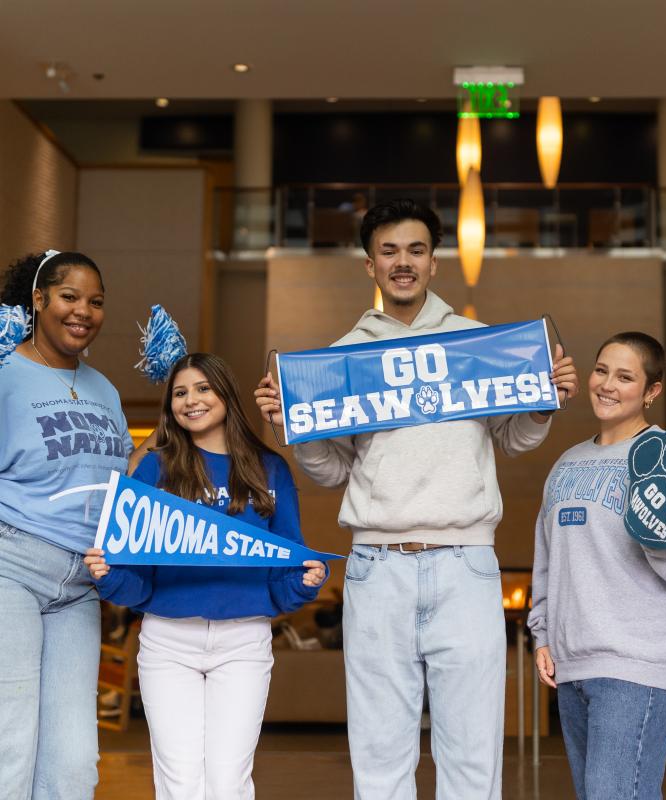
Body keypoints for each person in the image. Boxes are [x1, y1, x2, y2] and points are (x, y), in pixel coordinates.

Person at [255, 198, 578, 799]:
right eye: (389, 251)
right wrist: (292, 427)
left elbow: (511, 439)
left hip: (467, 564)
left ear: (434, 263)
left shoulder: (479, 346)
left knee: (474, 747)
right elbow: (331, 472)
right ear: (370, 265)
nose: (403, 262)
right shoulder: (340, 359)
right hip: (377, 568)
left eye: (416, 250)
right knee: (378, 751)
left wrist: (540, 403)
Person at [84, 352, 327, 799]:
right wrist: (107, 577)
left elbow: (286, 572)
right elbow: (137, 579)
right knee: (179, 780)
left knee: (228, 780)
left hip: (244, 643)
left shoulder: (269, 469)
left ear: (225, 395)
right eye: (179, 393)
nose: (190, 400)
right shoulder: (156, 469)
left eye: (202, 389)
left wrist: (304, 582)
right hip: (168, 642)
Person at [529, 332, 666, 800]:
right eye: (602, 370)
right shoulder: (567, 464)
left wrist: (658, 530)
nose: (607, 385)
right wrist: (542, 634)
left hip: (638, 667)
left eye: (625, 377)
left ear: (652, 390)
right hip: (573, 666)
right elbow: (547, 562)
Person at [0, 250, 133, 799]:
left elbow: (124, 478)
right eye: (69, 297)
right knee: (11, 739)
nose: (84, 311)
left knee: (75, 760)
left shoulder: (105, 389)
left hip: (83, 586)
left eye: (96, 302)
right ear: (37, 300)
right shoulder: (6, 373)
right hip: (12, 568)